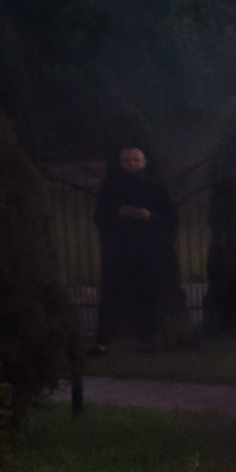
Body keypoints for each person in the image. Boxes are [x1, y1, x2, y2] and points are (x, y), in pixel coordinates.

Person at [93, 144, 173, 351]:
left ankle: (145, 340)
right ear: (120, 163)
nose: (132, 164)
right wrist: (118, 213)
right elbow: (98, 217)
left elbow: (172, 218)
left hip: (146, 250)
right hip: (117, 250)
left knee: (147, 295)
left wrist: (149, 216)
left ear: (144, 162)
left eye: (136, 160)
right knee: (110, 295)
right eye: (127, 160)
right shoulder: (110, 188)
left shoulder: (154, 187)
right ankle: (103, 342)